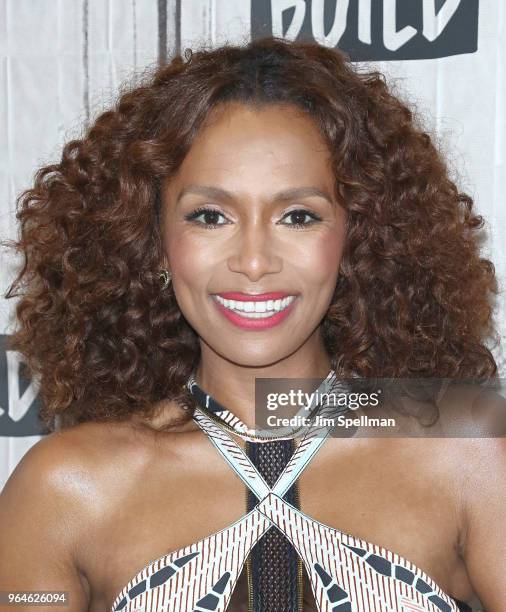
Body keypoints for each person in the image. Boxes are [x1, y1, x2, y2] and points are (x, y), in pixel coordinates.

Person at [0, 36, 504, 612]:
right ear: (153, 242)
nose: (255, 260)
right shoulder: (66, 491)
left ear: (359, 236)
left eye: (298, 216)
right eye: (209, 216)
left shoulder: (466, 453)